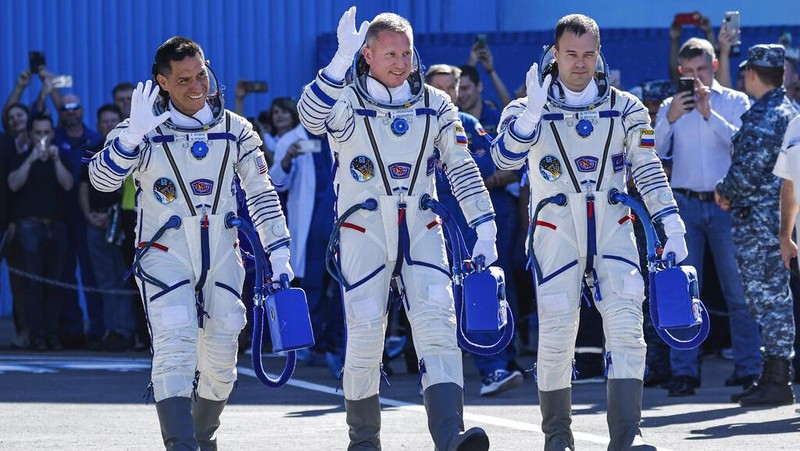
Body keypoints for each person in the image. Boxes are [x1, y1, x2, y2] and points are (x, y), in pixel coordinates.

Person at [297, 7, 496, 450]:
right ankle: (364, 439)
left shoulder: (435, 102)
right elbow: (309, 118)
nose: (402, 62)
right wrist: (336, 61)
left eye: (407, 53)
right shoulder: (345, 100)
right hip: (363, 230)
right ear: (367, 55)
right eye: (391, 54)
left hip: (424, 227)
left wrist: (485, 226)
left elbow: (462, 169)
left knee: (439, 328)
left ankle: (450, 435)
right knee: (366, 331)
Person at [492, 14, 687, 450]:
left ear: (600, 54)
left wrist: (670, 222)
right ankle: (557, 436)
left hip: (614, 229)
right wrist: (532, 115)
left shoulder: (626, 106)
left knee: (627, 329)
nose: (580, 64)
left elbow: (648, 169)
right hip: (555, 231)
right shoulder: (528, 107)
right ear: (554, 54)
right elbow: (503, 160)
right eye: (571, 54)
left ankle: (626, 435)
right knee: (559, 331)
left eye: (588, 54)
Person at [88, 36, 293, 449]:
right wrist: (130, 139)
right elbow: (100, 180)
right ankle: (181, 444)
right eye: (183, 79)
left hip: (222, 254)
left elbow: (262, 192)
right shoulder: (141, 129)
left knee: (221, 358)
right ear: (162, 81)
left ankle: (202, 436)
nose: (197, 86)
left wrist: (280, 250)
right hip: (164, 255)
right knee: (176, 344)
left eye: (201, 74)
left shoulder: (235, 128)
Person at [655, 37, 760, 397]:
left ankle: (750, 369)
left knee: (739, 292)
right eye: (688, 71)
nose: (695, 78)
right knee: (682, 293)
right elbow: (651, 151)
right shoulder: (671, 105)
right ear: (681, 71)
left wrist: (707, 114)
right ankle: (684, 372)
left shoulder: (734, 101)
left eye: (701, 69)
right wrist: (669, 119)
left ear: (714, 66)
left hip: (726, 205)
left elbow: (744, 145)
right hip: (683, 206)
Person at [425, 63, 523, 396]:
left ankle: (494, 367)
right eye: (438, 87)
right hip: (424, 224)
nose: (448, 94)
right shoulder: (413, 125)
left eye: (451, 86)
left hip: (466, 223)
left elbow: (489, 166)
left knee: (480, 291)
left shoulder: (467, 125)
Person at [716, 44, 798, 408]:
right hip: (770, 220)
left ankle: (778, 379)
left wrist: (724, 190)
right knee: (769, 298)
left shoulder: (768, 115)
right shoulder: (785, 111)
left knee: (770, 299)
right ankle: (772, 375)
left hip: (763, 223)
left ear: (751, 74)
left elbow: (747, 172)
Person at [7, 113, 73, 351]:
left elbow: (68, 184)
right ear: (31, 134)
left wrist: (55, 160)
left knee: (55, 284)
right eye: (38, 133)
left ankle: (52, 336)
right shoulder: (22, 157)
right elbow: (13, 184)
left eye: (46, 133)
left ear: (52, 134)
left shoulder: (61, 157)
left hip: (56, 226)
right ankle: (37, 337)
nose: (42, 137)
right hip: (30, 227)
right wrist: (31, 159)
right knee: (32, 286)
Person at [79, 104, 135, 351]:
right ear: (99, 124)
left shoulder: (130, 149)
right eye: (105, 121)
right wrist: (90, 215)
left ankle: (126, 331)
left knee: (123, 278)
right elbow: (83, 186)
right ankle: (111, 330)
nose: (109, 125)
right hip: (96, 222)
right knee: (104, 280)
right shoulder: (92, 148)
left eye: (114, 120)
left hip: (121, 223)